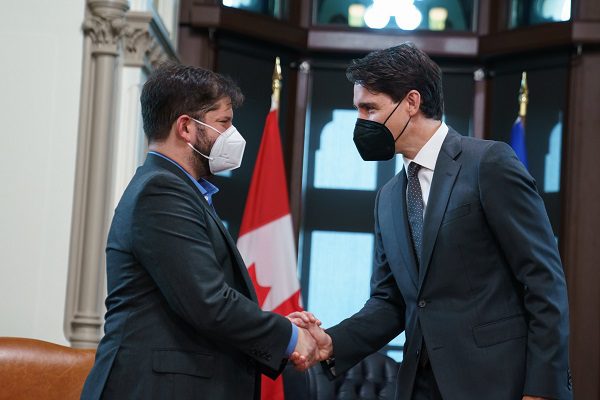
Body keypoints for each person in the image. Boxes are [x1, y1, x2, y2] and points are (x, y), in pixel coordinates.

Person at [290, 43, 572, 400]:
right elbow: (389, 302)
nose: (360, 122)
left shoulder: (488, 163)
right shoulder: (389, 197)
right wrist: (331, 341)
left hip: (499, 383)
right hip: (420, 386)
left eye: (369, 108)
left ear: (411, 102)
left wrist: (543, 388)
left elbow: (543, 279)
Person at [81, 63, 318, 400]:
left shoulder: (177, 189)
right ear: (187, 128)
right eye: (224, 123)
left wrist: (276, 325)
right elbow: (209, 303)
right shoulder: (160, 191)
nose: (233, 135)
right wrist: (291, 335)